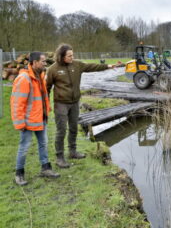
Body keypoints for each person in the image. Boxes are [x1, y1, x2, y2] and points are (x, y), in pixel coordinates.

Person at [46, 44, 115, 168]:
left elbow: (92, 66)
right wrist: (45, 104)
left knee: (73, 128)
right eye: (69, 56)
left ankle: (72, 152)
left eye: (73, 55)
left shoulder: (77, 65)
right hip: (61, 104)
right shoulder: (52, 69)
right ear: (61, 56)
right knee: (61, 130)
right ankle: (59, 157)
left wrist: (107, 66)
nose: (72, 57)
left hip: (74, 103)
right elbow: (47, 87)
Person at [11, 52, 60, 185]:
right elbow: (17, 103)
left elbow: (43, 97)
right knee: (24, 147)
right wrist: (20, 123)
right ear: (33, 63)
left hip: (40, 118)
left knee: (43, 144)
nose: (45, 63)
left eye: (45, 61)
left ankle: (46, 169)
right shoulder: (24, 79)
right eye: (42, 61)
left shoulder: (41, 76)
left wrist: (47, 110)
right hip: (27, 121)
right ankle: (19, 174)